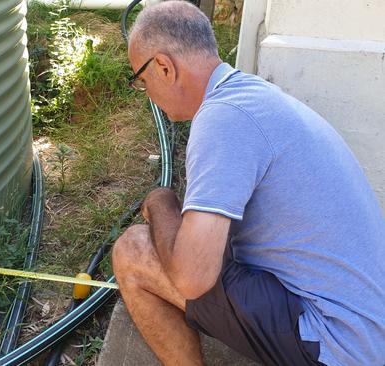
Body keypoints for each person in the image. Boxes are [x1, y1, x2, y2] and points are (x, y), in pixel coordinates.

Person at [111, 1, 385, 366]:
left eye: (142, 81)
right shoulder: (252, 97)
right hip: (364, 326)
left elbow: (193, 277)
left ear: (164, 66)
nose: (147, 95)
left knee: (133, 250)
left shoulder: (223, 118)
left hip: (338, 343)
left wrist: (161, 202)